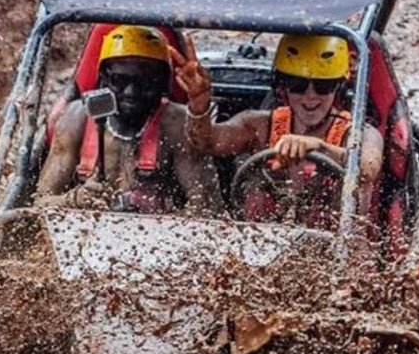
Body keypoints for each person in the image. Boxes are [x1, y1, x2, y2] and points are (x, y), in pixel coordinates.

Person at [174, 32, 383, 228]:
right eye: (298, 84)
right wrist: (198, 105)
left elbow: (368, 167)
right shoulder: (259, 126)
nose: (310, 96)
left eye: (323, 86)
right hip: (260, 250)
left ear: (338, 86)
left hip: (335, 254)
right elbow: (206, 142)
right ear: (283, 85)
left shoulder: (358, 133)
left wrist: (320, 147)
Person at [36, 24, 221, 214]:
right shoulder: (77, 119)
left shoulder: (178, 125)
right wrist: (72, 200)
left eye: (145, 82)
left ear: (163, 83)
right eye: (120, 80)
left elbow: (209, 207)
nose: (131, 92)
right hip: (83, 234)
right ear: (103, 79)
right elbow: (40, 202)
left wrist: (164, 215)